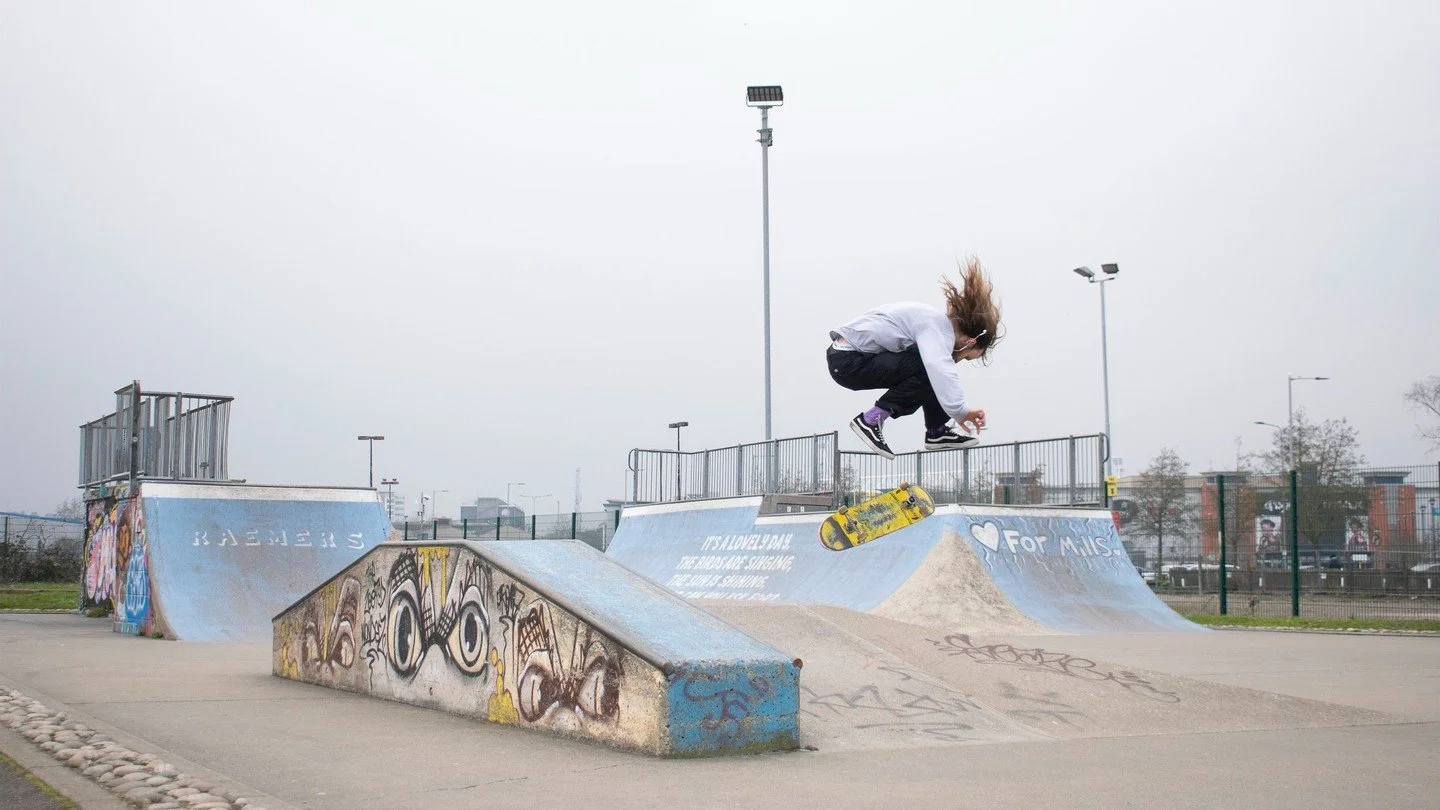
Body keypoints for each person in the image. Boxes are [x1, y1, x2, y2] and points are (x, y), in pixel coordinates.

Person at [826, 257, 1003, 459]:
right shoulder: (937, 329)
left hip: (849, 358)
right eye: (967, 357)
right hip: (849, 362)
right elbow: (940, 368)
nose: (959, 359)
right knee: (933, 370)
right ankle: (871, 420)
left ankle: (937, 432)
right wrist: (961, 412)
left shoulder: (934, 323)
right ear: (970, 342)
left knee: (932, 372)